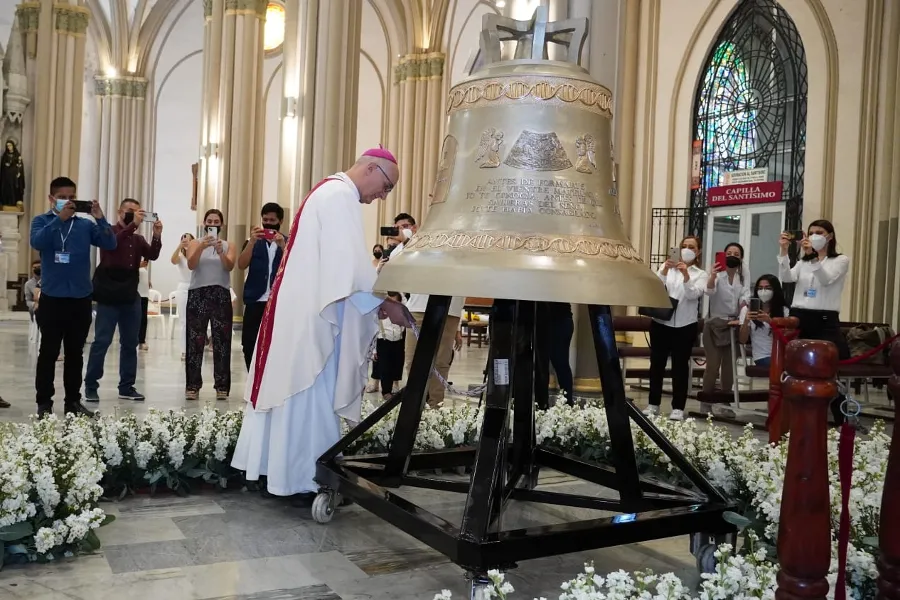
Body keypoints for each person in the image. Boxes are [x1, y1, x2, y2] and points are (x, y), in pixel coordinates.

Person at [232, 146, 410, 499]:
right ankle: (304, 481)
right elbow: (345, 272)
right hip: (315, 319)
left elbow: (341, 268)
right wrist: (383, 306)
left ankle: (277, 472)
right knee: (309, 391)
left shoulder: (328, 191)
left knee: (293, 391)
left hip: (302, 312)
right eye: (386, 187)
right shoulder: (339, 196)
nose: (381, 197)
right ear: (372, 168)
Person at [30, 176, 116, 417]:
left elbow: (109, 243)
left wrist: (100, 217)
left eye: (71, 197)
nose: (67, 201)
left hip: (79, 298)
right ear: (51, 199)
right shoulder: (41, 222)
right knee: (48, 352)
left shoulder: (85, 225)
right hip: (52, 297)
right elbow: (37, 242)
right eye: (62, 198)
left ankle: (73, 403)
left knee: (75, 353)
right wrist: (60, 219)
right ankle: (44, 403)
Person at [84, 199, 162, 403]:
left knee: (130, 342)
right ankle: (91, 385)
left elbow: (152, 254)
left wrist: (157, 235)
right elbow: (113, 243)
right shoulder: (108, 230)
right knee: (102, 341)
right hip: (109, 294)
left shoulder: (137, 239)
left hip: (129, 293)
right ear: (120, 211)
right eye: (130, 212)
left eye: (137, 212)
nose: (133, 215)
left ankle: (126, 386)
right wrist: (133, 224)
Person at [778, 219, 851, 424]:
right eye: (810, 233)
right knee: (796, 365)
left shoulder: (840, 260)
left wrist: (814, 258)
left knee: (829, 367)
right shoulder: (804, 262)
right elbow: (787, 277)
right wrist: (784, 252)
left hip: (824, 317)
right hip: (800, 315)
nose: (814, 236)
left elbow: (826, 279)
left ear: (829, 236)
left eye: (819, 232)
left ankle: (840, 417)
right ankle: (796, 412)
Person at [644, 236, 708, 421]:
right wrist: (664, 269)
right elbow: (655, 286)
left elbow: (693, 294)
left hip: (684, 325)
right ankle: (653, 404)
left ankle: (678, 407)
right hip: (661, 323)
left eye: (691, 247)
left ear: (698, 252)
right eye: (684, 246)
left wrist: (686, 276)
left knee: (680, 367)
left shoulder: (700, 274)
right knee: (657, 364)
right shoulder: (667, 268)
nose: (687, 249)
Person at [185, 209, 237, 401]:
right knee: (194, 340)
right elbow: (191, 264)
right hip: (198, 292)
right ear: (204, 223)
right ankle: (192, 385)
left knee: (222, 341)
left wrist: (221, 252)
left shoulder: (228, 244)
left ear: (221, 225)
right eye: (210, 221)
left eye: (216, 221)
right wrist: (201, 247)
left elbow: (230, 266)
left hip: (220, 293)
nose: (213, 224)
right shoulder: (194, 243)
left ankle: (222, 386)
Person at [700, 242, 750, 414]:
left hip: (732, 325)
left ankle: (725, 403)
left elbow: (745, 297)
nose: (732, 256)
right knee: (713, 365)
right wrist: (713, 276)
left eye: (736, 254)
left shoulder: (742, 276)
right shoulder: (717, 274)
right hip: (714, 324)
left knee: (729, 366)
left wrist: (743, 316)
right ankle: (706, 400)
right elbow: (709, 291)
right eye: (729, 253)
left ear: (741, 258)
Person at [237, 202, 286, 371]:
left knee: (275, 341)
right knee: (249, 341)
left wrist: (283, 246)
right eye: (265, 219)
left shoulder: (288, 243)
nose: (268, 223)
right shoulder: (253, 241)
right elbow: (241, 264)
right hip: (255, 298)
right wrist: (251, 242)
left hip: (277, 300)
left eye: (272, 220)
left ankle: (269, 379)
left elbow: (294, 267)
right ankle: (252, 377)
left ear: (280, 221)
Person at [738, 275, 787, 368]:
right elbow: (742, 340)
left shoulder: (784, 310)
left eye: (767, 288)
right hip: (762, 356)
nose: (763, 291)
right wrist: (746, 321)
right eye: (760, 288)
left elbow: (785, 337)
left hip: (782, 354)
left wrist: (770, 321)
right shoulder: (746, 310)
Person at [534, 302, 575, 408]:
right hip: (548, 318)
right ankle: (542, 403)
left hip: (558, 319)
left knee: (559, 363)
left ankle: (566, 404)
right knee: (542, 365)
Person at [375, 292, 406, 399]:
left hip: (398, 340)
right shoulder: (380, 314)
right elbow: (374, 331)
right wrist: (374, 350)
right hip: (383, 341)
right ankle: (386, 391)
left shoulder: (401, 311)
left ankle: (395, 386)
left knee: (397, 364)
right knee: (385, 367)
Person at [170, 233, 194, 360]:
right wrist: (180, 246)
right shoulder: (180, 257)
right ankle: (184, 350)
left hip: (195, 288)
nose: (186, 242)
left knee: (195, 321)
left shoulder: (196, 256)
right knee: (184, 321)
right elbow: (173, 260)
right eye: (184, 240)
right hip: (183, 289)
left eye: (189, 240)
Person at [138, 260, 151, 350]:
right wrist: (139, 265)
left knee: (143, 319)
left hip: (144, 294)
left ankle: (141, 340)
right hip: (136, 294)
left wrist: (147, 281)